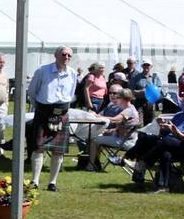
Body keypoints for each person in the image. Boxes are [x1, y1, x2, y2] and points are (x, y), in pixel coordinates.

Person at [25, 47, 79, 192]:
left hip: (62, 114)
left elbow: (71, 94)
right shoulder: (43, 71)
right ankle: (35, 181)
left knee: (58, 151)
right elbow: (31, 92)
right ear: (56, 55)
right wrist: (42, 109)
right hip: (43, 112)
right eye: (63, 54)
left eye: (69, 55)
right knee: (38, 148)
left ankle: (52, 183)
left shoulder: (72, 74)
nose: (66, 57)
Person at [86, 87, 141, 168]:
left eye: (118, 97)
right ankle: (96, 164)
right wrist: (107, 131)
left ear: (123, 99)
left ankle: (90, 166)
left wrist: (97, 117)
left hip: (125, 142)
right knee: (98, 137)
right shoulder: (131, 109)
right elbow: (120, 127)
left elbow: (115, 120)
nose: (116, 100)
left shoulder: (128, 111)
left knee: (93, 140)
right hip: (127, 139)